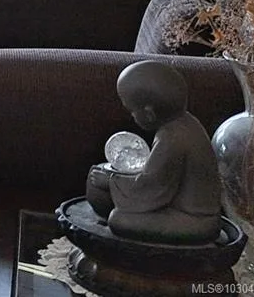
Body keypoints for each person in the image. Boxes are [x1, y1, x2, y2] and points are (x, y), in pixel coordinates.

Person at [86, 60, 222, 244]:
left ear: (149, 113)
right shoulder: (185, 123)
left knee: (118, 219)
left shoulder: (173, 137)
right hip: (174, 206)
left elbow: (152, 187)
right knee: (102, 174)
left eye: (132, 111)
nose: (131, 116)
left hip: (196, 221)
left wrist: (111, 182)